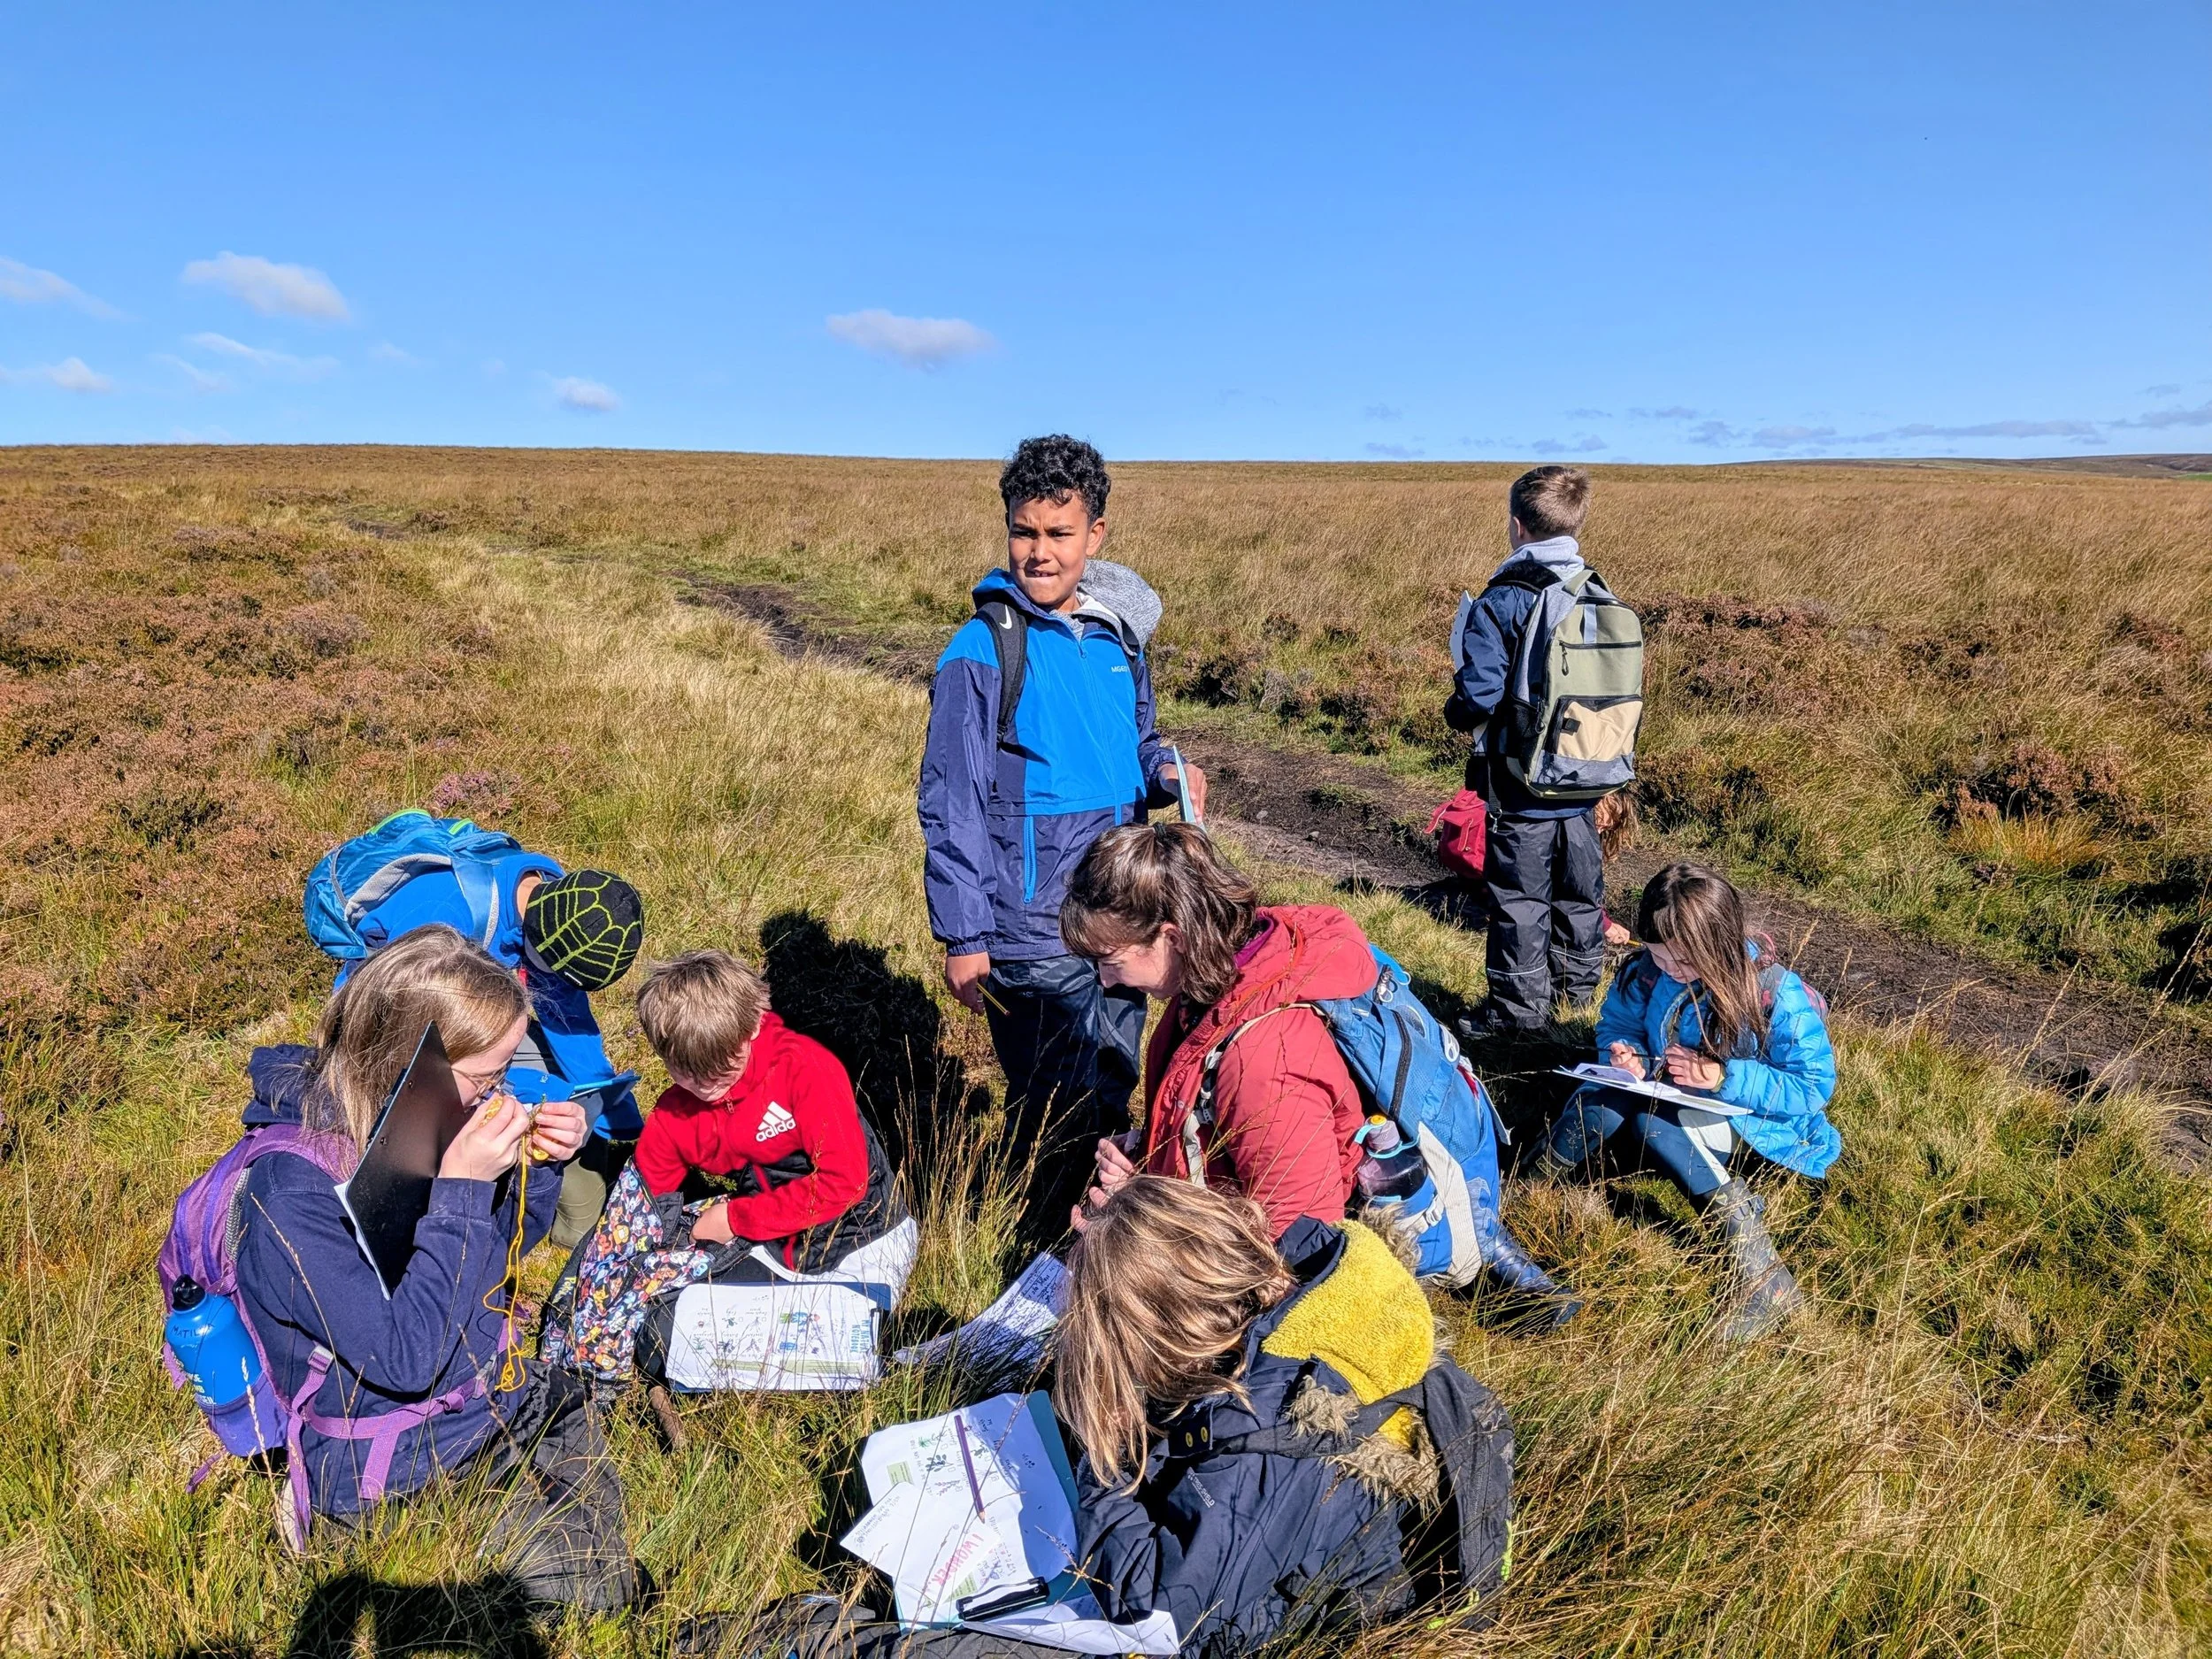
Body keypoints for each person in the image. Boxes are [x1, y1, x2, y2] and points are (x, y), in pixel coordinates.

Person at [715, 1179, 1505, 1659]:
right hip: (1258, 1561)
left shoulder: (1265, 1445)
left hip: (1257, 1620)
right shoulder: (1292, 1309)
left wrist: (1105, 1453)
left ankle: (802, 1639)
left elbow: (1162, 1613)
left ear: (1165, 1337)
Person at [233, 926, 641, 1609]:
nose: (496, 1095)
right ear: (407, 1064)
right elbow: (405, 1355)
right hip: (396, 1460)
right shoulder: (288, 1200)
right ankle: (317, 1518)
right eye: (487, 1078)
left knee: (591, 1465)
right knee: (585, 1593)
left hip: (479, 1395)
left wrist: (539, 1167)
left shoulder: (413, 1119)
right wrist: (461, 1188)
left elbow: (487, 1266)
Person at [1059, 821, 1565, 1303]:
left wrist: (1141, 1230)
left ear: (1172, 938)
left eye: (1110, 959)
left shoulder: (1265, 1059)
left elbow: (1303, 1255)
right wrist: (1154, 1158)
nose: (1105, 980)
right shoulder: (1231, 973)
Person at [917, 434, 1204, 1234]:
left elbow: (1136, 743)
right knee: (1054, 1102)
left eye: (1059, 534)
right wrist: (965, 933)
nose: (1039, 553)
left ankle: (1103, 1246)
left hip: (1127, 914)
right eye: (1024, 532)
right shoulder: (982, 650)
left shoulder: (1118, 640)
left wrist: (1166, 772)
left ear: (1096, 536)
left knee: (1116, 1080)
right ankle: (1037, 1254)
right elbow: (952, 801)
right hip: (1031, 927)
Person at [1532, 862, 1841, 1339]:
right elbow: (1619, 1026)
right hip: (1661, 1092)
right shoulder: (1645, 972)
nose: (1669, 970)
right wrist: (1625, 1057)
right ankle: (1526, 1191)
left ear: (1718, 943)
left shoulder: (1773, 994)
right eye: (1660, 957)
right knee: (1601, 1098)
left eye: (1682, 961)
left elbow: (1812, 1086)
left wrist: (1722, 1076)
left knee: (1654, 1127)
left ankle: (1765, 1280)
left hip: (1747, 1121)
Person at [316, 817, 649, 1252]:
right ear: (532, 937)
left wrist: (612, 1111)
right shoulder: (442, 916)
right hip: (392, 1007)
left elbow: (569, 1017)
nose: (560, 988)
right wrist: (523, 1095)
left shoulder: (555, 902)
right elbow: (393, 1039)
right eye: (552, 973)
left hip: (469, 1000)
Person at [1443, 465, 1609, 1033]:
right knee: (1579, 891)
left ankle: (1517, 1015)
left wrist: (1455, 711)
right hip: (1586, 775)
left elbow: (1482, 691)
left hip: (1523, 779)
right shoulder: (1595, 589)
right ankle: (1579, 995)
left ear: (1517, 526)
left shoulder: (1502, 599)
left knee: (1518, 898)